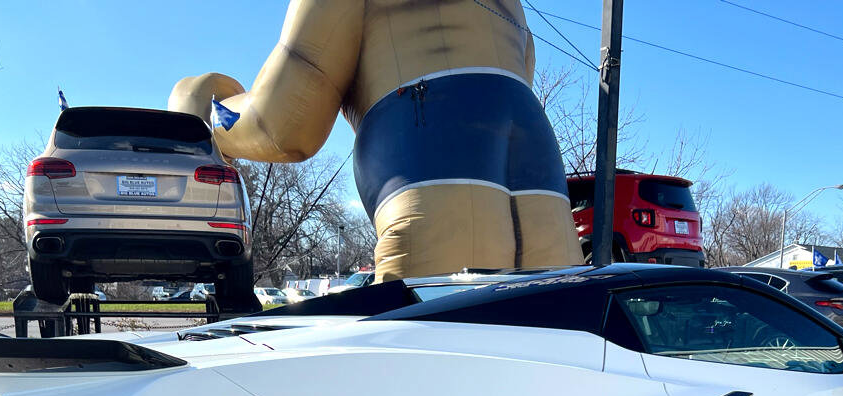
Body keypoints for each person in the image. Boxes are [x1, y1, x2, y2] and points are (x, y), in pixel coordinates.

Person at [169, 0, 581, 281]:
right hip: (533, 146)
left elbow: (286, 125)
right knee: (554, 345)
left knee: (428, 360)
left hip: (430, 138)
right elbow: (521, 67)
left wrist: (206, 108)